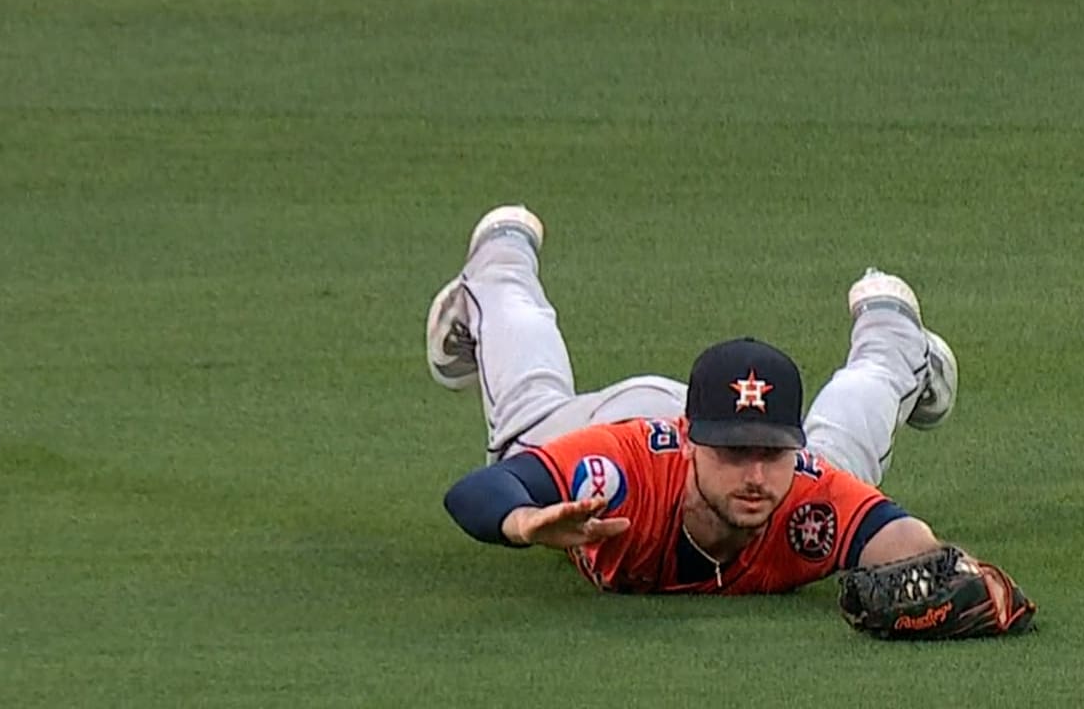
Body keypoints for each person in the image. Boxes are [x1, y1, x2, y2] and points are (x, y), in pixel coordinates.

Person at [430, 205, 1035, 638]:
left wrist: (960, 575)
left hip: (759, 449)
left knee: (843, 463)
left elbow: (910, 544)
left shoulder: (810, 493)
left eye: (771, 453)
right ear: (692, 441)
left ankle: (892, 330)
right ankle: (502, 257)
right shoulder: (618, 471)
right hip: (622, 414)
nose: (754, 475)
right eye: (733, 452)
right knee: (524, 426)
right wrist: (525, 520)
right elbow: (477, 492)